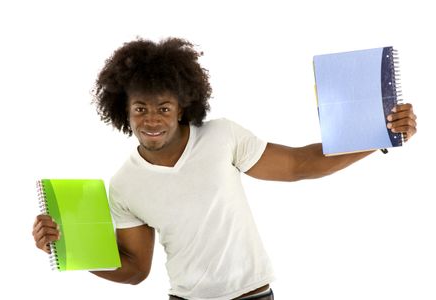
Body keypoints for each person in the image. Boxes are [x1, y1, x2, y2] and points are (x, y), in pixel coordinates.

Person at [32, 37, 417, 300]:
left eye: (163, 108)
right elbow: (135, 270)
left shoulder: (221, 137)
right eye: (141, 109)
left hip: (254, 295)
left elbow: (301, 164)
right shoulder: (123, 186)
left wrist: (381, 136)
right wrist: (67, 250)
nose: (152, 120)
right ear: (124, 111)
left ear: (181, 107)